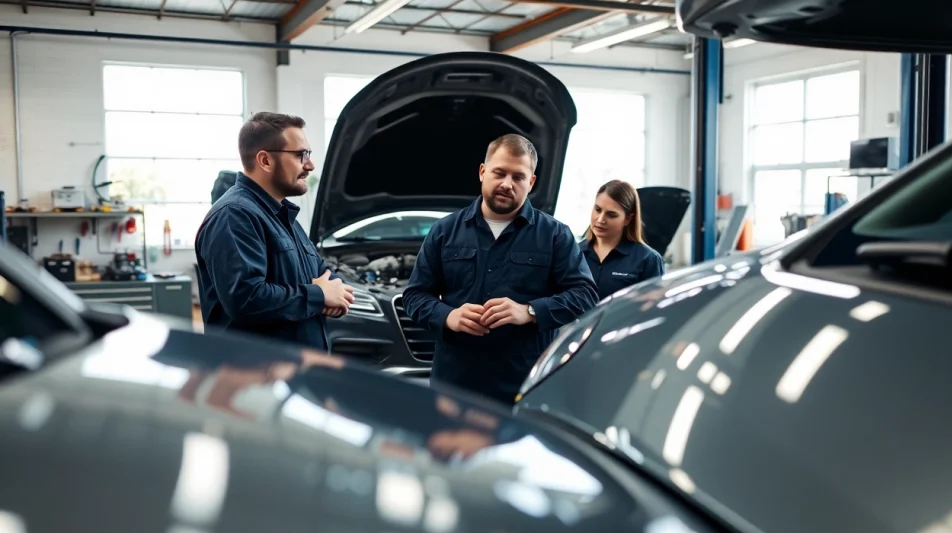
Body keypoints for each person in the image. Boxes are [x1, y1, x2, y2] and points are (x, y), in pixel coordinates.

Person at [402, 134, 599, 403]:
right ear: (483, 172)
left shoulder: (555, 235)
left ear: (531, 182)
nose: (507, 184)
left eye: (518, 177)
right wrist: (448, 316)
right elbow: (414, 296)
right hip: (455, 385)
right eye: (499, 173)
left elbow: (585, 295)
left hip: (525, 386)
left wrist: (529, 311)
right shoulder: (444, 231)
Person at [195, 112, 354, 351]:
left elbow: (322, 273)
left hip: (298, 368)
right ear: (265, 161)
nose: (310, 165)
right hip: (255, 370)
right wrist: (318, 296)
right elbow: (246, 299)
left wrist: (336, 292)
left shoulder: (284, 216)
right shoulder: (234, 215)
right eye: (301, 155)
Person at [580, 179, 665, 299]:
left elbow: (653, 305)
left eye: (611, 215)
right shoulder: (574, 253)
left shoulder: (648, 260)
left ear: (628, 219)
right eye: (598, 210)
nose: (600, 219)